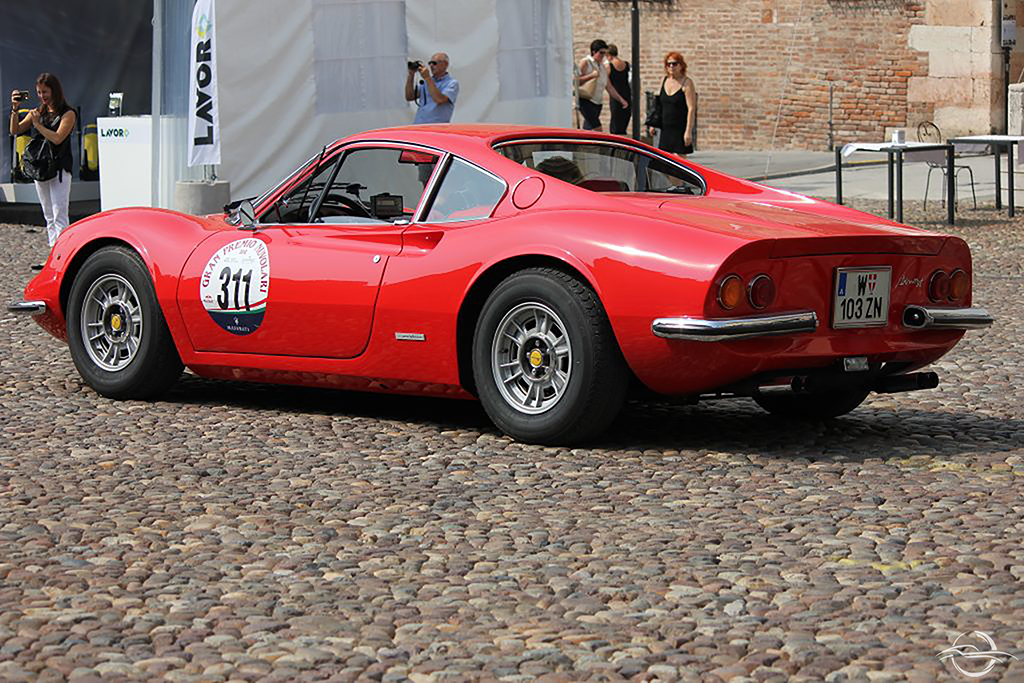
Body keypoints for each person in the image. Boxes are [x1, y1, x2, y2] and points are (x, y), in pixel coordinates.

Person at [9, 73, 76, 248]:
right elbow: (15, 129)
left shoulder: (68, 113)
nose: (42, 96)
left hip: (59, 168)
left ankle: (62, 254)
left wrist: (38, 125)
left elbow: (57, 138)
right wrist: (15, 109)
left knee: (59, 213)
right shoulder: (38, 112)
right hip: (41, 168)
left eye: (45, 92)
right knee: (48, 214)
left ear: (54, 91)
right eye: (38, 92)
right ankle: (53, 253)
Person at [646, 52, 697, 156]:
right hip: (665, 128)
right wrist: (653, 125)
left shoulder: (687, 83)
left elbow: (691, 108)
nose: (671, 67)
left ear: (681, 65)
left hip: (679, 127)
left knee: (680, 160)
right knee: (664, 159)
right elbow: (659, 104)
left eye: (674, 64)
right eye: (668, 64)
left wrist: (688, 131)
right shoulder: (664, 80)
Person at [577, 39, 628, 132]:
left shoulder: (602, 66)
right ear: (594, 51)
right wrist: (591, 76)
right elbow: (575, 81)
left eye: (604, 53)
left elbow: (609, 87)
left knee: (588, 130)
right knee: (598, 129)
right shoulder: (586, 62)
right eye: (601, 53)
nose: (603, 56)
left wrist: (621, 100)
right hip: (586, 100)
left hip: (597, 103)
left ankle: (585, 145)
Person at [405, 52, 459, 124]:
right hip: (419, 125)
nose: (431, 66)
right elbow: (409, 96)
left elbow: (439, 99)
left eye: (434, 63)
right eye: (430, 63)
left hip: (437, 127)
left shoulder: (451, 83)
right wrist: (411, 75)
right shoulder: (427, 82)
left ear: (445, 64)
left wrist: (427, 77)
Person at [606, 44, 631, 135]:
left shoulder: (608, 66)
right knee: (623, 122)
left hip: (616, 96)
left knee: (615, 124)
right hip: (627, 93)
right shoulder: (626, 64)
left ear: (608, 55)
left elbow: (607, 85)